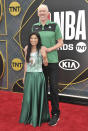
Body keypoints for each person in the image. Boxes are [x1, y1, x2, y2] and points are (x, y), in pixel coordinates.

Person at [32, 4, 64, 126]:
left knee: (54, 88)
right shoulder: (34, 27)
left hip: (53, 61)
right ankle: (43, 113)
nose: (42, 13)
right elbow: (33, 43)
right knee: (42, 89)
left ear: (48, 12)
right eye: (40, 11)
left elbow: (61, 42)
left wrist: (49, 49)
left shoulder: (54, 25)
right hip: (39, 62)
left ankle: (55, 114)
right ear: (38, 13)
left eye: (44, 11)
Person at [19, 32, 50, 127]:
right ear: (29, 39)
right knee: (28, 98)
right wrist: (24, 76)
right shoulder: (26, 48)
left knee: (37, 97)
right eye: (31, 38)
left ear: (38, 39)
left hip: (38, 76)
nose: (33, 40)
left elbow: (45, 64)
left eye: (35, 38)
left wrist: (44, 57)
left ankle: (37, 117)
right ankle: (27, 116)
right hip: (29, 76)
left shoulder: (42, 48)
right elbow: (26, 63)